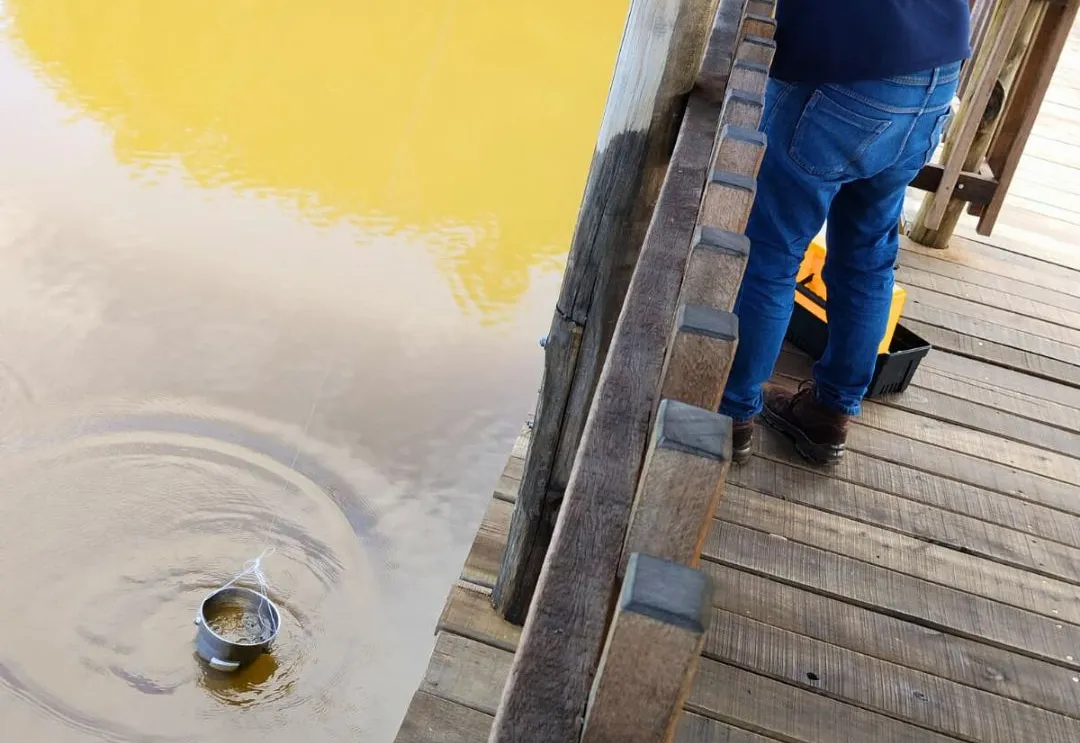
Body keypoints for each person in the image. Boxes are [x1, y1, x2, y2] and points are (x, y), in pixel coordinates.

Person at [722, 0, 971, 466]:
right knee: (868, 253)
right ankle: (829, 413)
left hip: (845, 69)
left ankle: (730, 416)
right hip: (935, 75)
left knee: (772, 255)